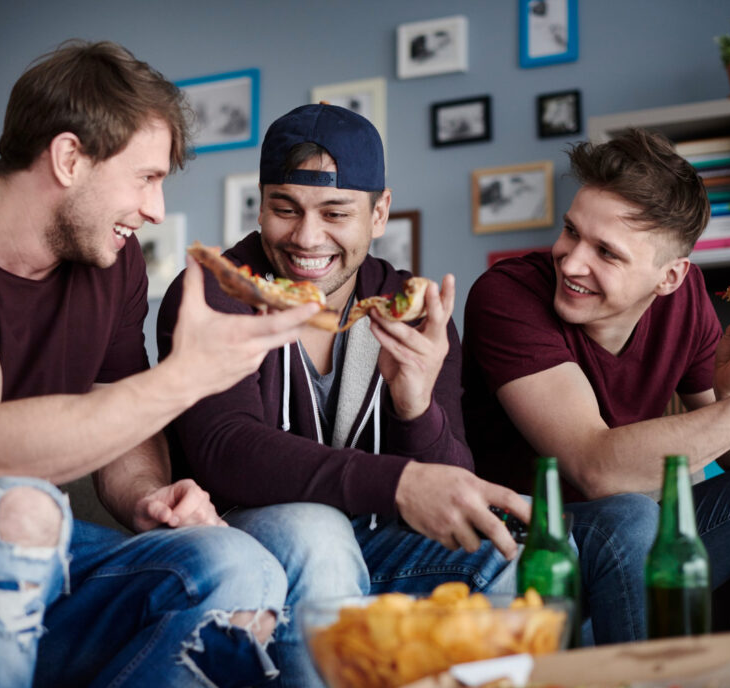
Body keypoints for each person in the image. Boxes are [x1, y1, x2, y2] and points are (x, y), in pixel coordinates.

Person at [0, 40, 323, 687]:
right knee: (19, 505)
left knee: (240, 565)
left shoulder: (111, 263)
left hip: (49, 549)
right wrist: (183, 377)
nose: (156, 210)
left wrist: (146, 496)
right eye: (146, 178)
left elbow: (121, 410)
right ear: (69, 157)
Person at [157, 103, 535, 687]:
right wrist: (397, 483)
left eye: (336, 212)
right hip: (237, 538)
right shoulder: (215, 288)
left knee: (505, 551)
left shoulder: (412, 308)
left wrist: (417, 408)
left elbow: (452, 481)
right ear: (260, 204)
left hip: (376, 542)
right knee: (317, 532)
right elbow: (226, 450)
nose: (307, 238)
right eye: (284, 209)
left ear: (379, 211)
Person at [462, 127, 730, 642]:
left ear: (669, 277)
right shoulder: (506, 296)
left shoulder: (683, 297)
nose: (572, 260)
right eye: (572, 231)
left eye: (607, 252)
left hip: (634, 545)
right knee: (631, 514)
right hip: (531, 557)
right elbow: (595, 467)